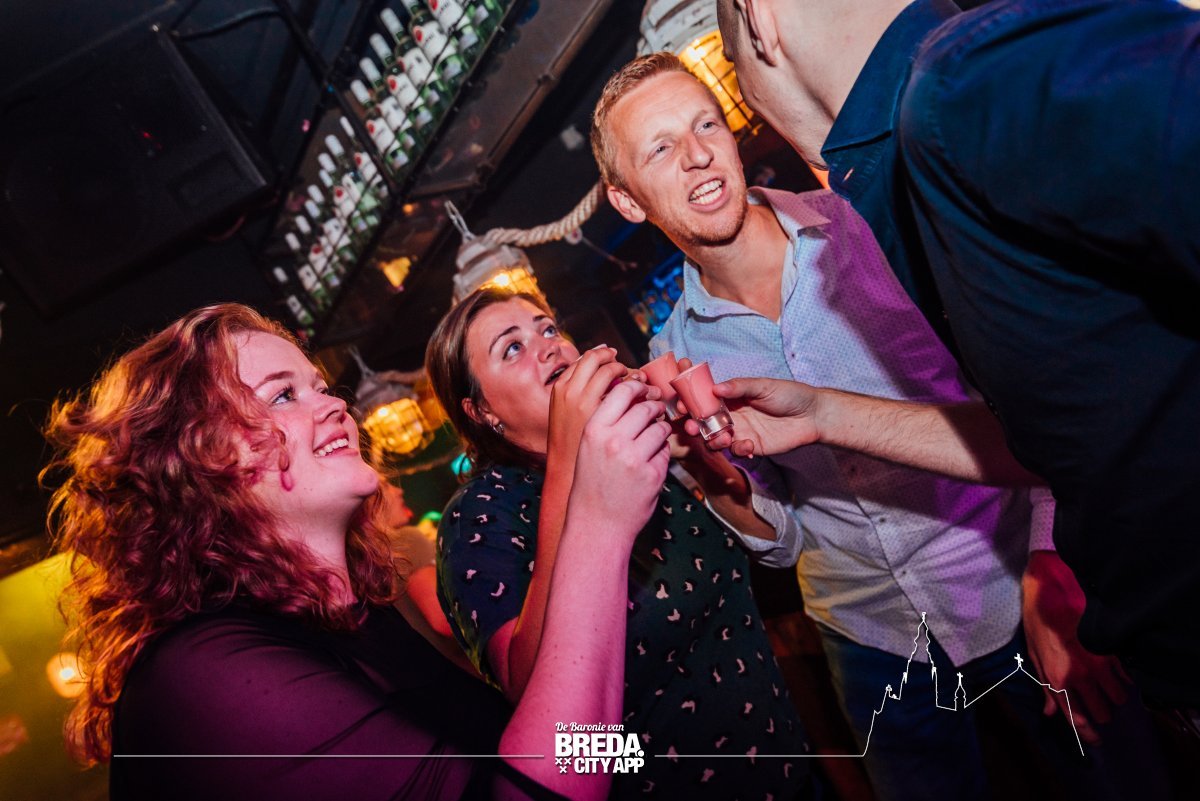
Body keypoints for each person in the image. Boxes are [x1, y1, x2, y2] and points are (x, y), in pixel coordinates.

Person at [591, 52, 1162, 800]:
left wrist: (1054, 556)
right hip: (871, 637)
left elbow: (1033, 386)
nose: (698, 155)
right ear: (627, 200)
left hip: (1009, 576)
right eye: (661, 148)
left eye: (706, 125)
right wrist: (699, 462)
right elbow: (782, 539)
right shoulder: (678, 351)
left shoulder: (865, 228)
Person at [717, 0, 1200, 715]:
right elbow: (1046, 439)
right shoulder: (918, 157)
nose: (749, 104)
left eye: (733, 72)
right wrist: (822, 413)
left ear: (759, 18)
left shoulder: (961, 84)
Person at [44, 302, 672, 801]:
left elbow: (520, 743)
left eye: (319, 386)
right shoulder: (203, 675)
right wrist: (598, 522)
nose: (337, 404)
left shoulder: (355, 620)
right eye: (283, 395)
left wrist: (652, 754)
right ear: (199, 460)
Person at [425, 287, 815, 800]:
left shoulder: (625, 446)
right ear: (481, 411)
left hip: (788, 767)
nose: (548, 345)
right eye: (512, 347)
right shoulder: (480, 513)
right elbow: (532, 695)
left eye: (548, 328)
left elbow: (776, 548)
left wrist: (694, 450)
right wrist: (568, 458)